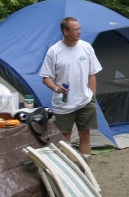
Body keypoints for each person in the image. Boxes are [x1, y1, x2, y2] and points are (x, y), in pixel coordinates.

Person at [40, 16, 102, 163]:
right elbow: (45, 77)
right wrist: (56, 88)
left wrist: (92, 95)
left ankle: (85, 169)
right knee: (64, 138)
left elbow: (92, 73)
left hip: (85, 100)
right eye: (76, 30)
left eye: (80, 28)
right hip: (63, 104)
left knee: (85, 134)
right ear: (65, 31)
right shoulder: (54, 51)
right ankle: (68, 170)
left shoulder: (86, 47)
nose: (79, 32)